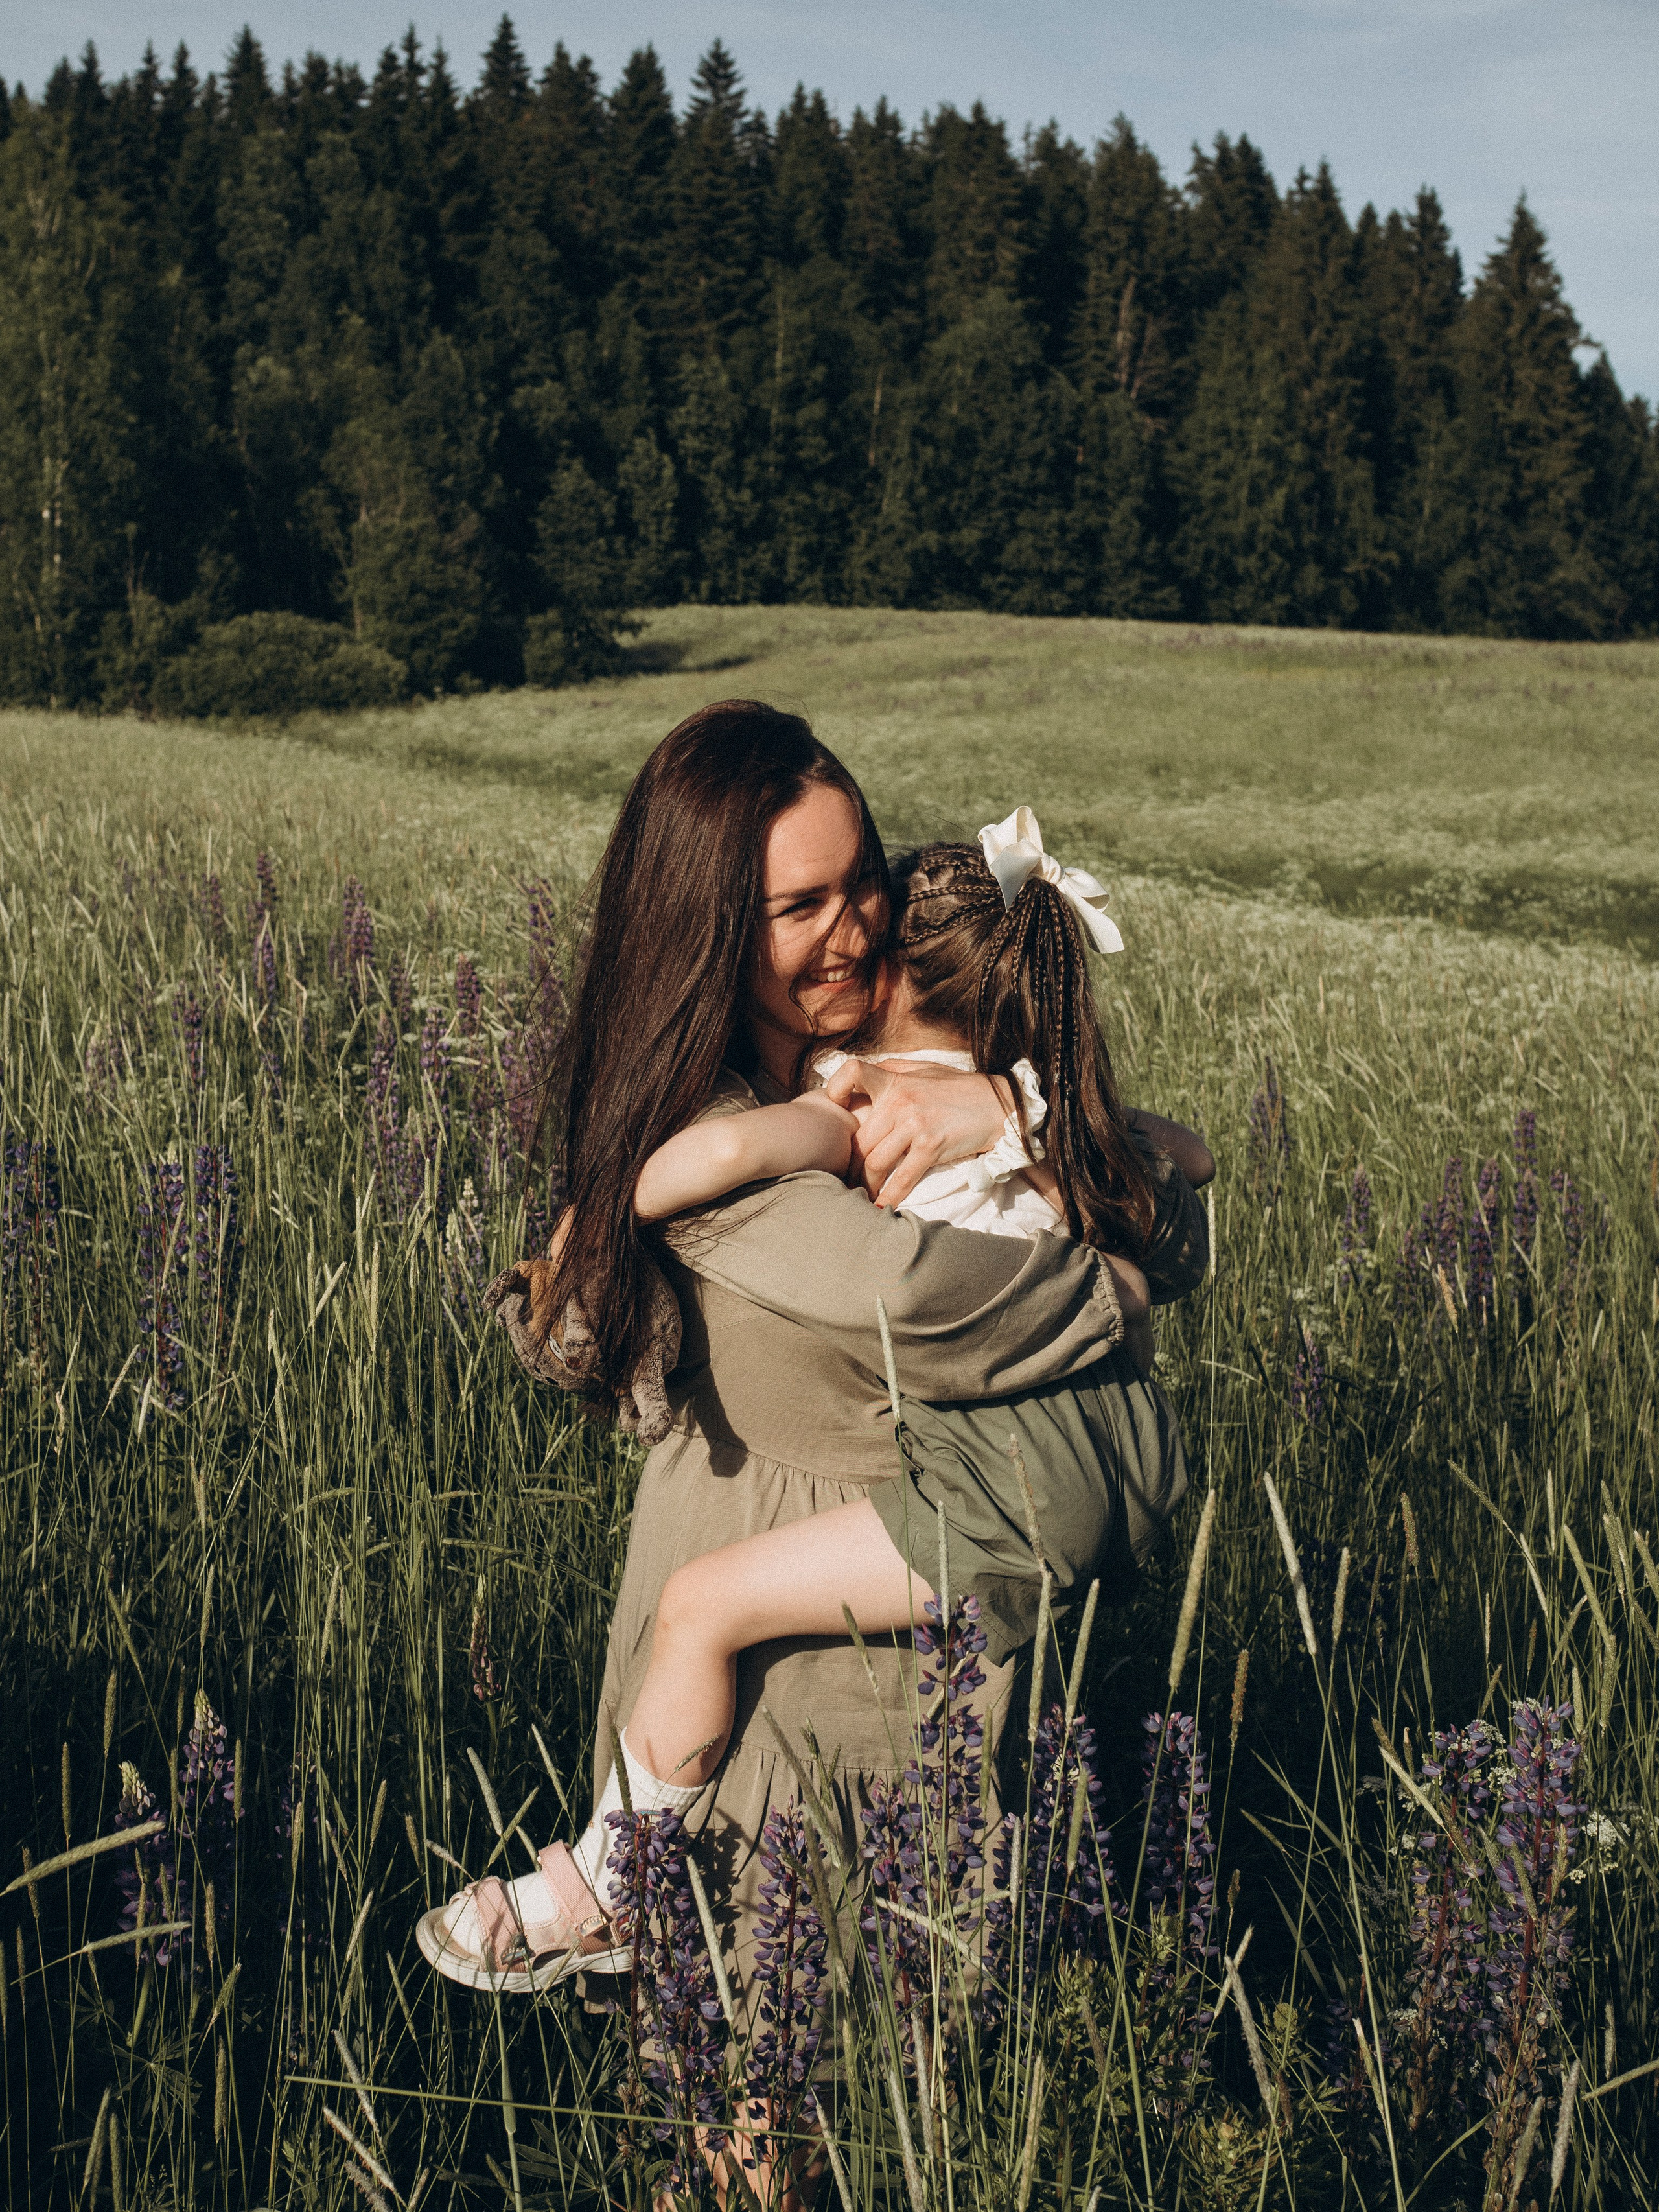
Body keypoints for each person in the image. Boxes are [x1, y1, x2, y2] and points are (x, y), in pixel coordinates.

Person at [416, 704, 1209, 2005]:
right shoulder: (726, 1130)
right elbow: (917, 1292)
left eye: (862, 885)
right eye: (801, 906)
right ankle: (597, 1890)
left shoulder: (913, 1066)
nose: (852, 933)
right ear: (709, 927)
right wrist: (1111, 1283)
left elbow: (1176, 1208)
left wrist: (1006, 1106)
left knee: (850, 2092)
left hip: (915, 1623)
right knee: (740, 2078)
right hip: (784, 1646)